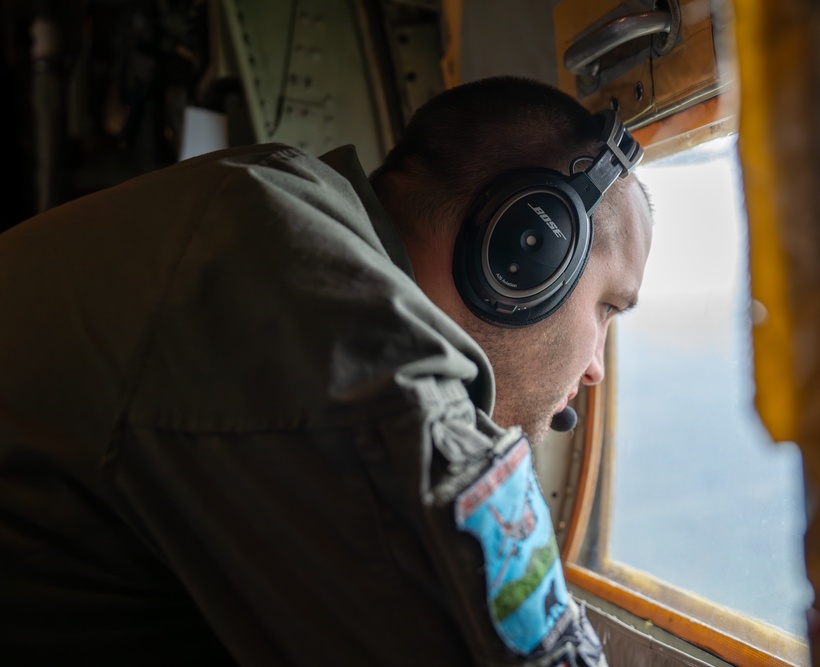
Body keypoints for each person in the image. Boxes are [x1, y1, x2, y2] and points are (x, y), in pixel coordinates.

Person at [0, 76, 653, 665]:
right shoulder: (331, 327)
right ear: (528, 249)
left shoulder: (268, 200)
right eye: (606, 307)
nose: (595, 366)